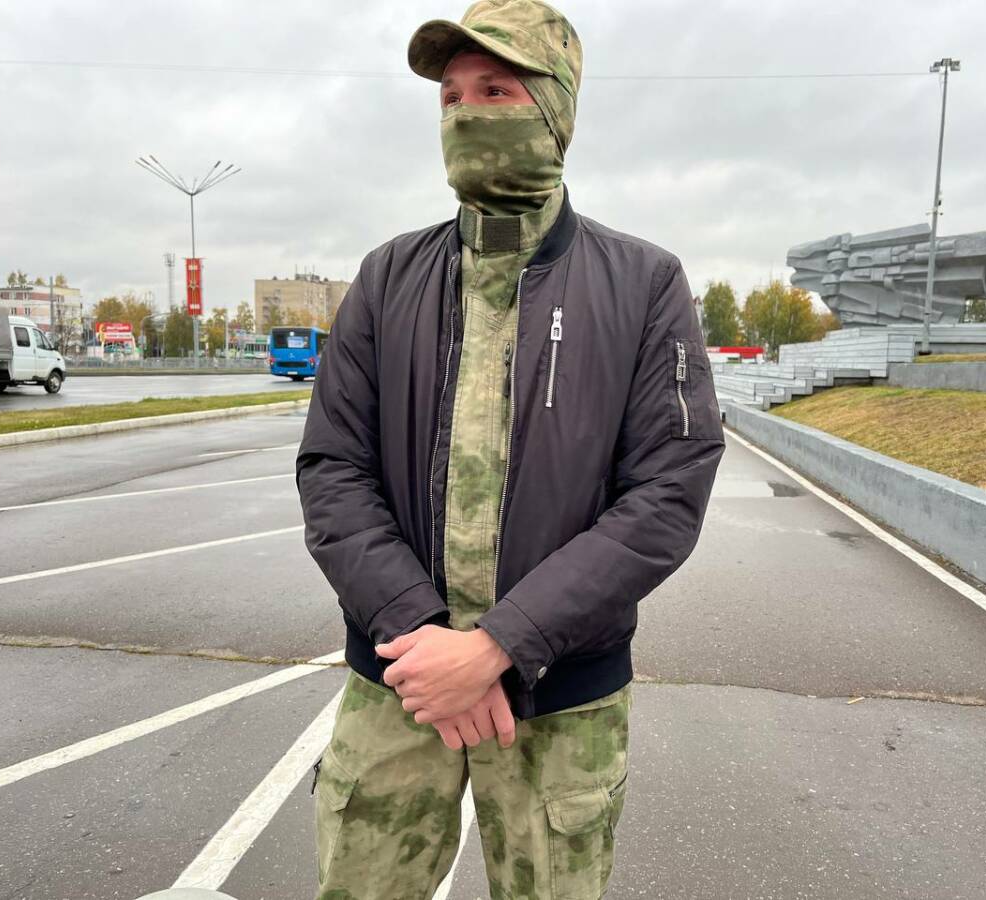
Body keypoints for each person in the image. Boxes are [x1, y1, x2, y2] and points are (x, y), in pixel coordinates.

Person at [296, 1, 724, 896]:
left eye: (495, 90)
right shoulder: (387, 276)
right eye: (450, 97)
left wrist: (499, 644)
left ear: (554, 110)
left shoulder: (644, 283)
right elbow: (333, 468)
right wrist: (421, 636)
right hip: (402, 683)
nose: (466, 114)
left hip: (560, 701)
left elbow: (666, 494)